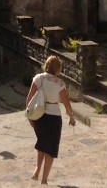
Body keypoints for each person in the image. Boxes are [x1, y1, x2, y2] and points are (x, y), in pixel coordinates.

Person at [27, 54, 75, 184]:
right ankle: (44, 179)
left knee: (42, 144)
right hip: (54, 118)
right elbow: (66, 103)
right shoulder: (60, 83)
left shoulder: (38, 78)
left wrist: (30, 117)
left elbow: (29, 99)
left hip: (40, 116)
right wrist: (71, 117)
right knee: (51, 148)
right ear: (58, 68)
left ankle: (37, 170)